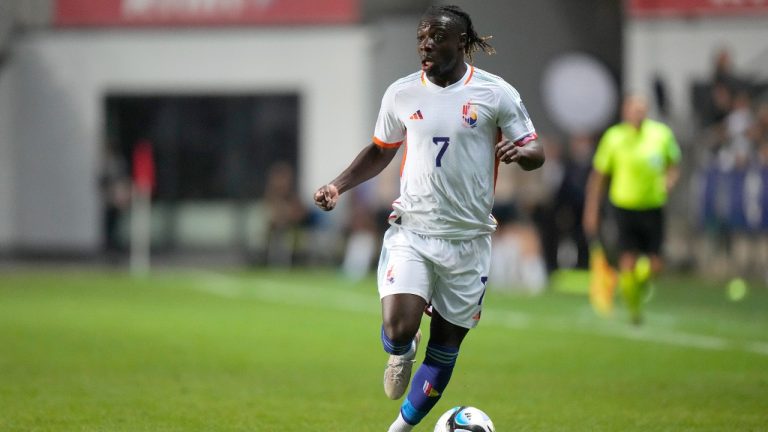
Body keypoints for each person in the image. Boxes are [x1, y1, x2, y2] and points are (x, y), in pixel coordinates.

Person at [313, 5, 544, 431]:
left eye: (435, 38)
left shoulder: (496, 93)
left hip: (469, 241)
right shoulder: (401, 93)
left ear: (461, 43)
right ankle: (401, 350)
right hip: (413, 231)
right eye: (421, 38)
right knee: (398, 326)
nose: (425, 45)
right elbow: (381, 150)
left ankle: (398, 430)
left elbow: (535, 149)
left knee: (445, 349)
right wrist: (337, 186)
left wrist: (520, 152)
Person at [583, 94, 681, 325]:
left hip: (653, 207)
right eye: (634, 109)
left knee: (655, 265)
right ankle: (634, 309)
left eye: (642, 109)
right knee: (627, 261)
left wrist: (670, 180)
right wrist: (592, 209)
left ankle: (640, 284)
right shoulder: (614, 137)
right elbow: (599, 176)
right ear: (625, 112)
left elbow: (674, 164)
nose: (638, 113)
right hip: (624, 207)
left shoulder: (661, 135)